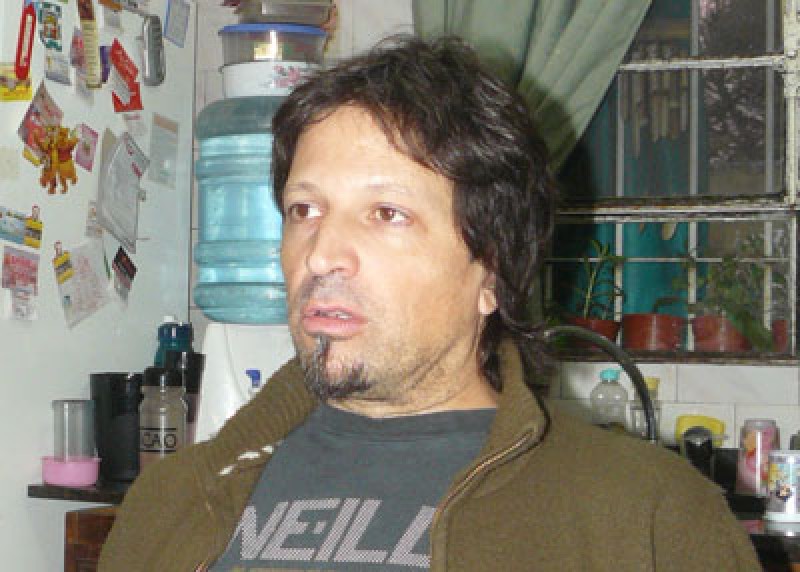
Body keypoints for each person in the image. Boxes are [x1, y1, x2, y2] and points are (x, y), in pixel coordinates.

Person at [99, 35, 761, 571]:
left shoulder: (649, 520)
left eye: (386, 213)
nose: (321, 253)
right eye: (304, 209)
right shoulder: (170, 502)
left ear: (493, 270)